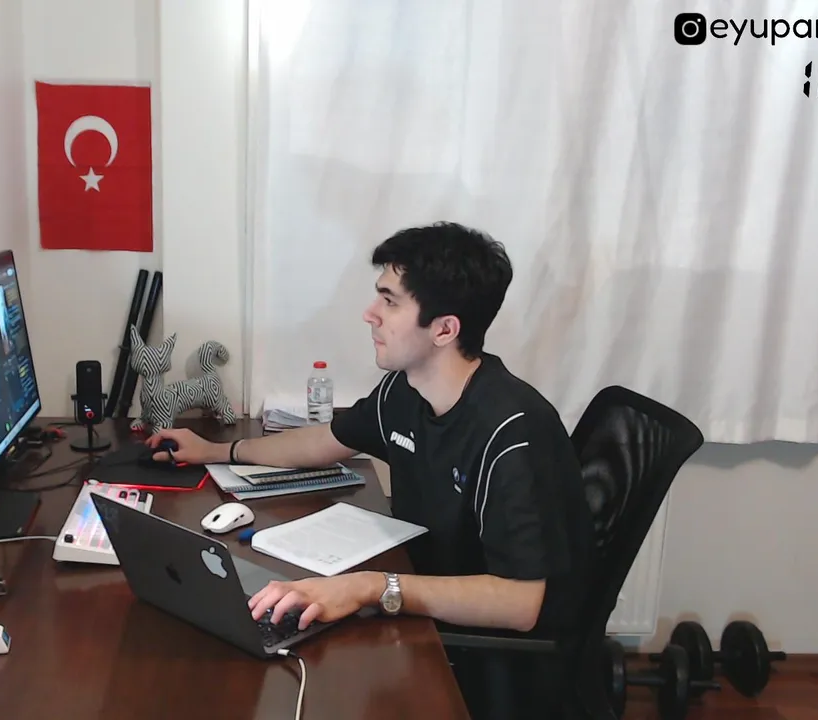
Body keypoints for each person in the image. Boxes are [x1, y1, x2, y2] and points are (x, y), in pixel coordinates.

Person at [148, 222, 592, 718]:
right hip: (424, 594)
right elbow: (326, 440)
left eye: (390, 301)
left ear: (444, 329)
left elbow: (520, 604)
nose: (370, 314)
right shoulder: (406, 389)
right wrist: (218, 452)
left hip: (496, 660)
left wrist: (372, 587)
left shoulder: (512, 434)